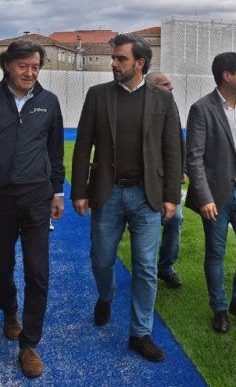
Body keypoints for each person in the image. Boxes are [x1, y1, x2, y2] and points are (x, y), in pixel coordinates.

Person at [71, 34, 182, 362]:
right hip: (107, 193)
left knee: (146, 267)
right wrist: (80, 190)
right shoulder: (97, 95)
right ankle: (106, 296)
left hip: (148, 196)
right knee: (101, 259)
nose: (114, 64)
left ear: (140, 63)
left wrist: (171, 195)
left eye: (121, 59)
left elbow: (172, 149)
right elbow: (82, 147)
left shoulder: (162, 100)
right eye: (114, 58)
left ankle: (140, 333)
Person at [185, 52, 236, 333]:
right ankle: (219, 309)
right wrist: (205, 197)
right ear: (227, 76)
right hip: (217, 196)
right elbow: (194, 158)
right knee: (216, 253)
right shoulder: (202, 109)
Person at [0, 40, 65, 378]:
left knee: (38, 272)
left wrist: (58, 193)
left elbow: (55, 153)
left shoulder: (49, 102)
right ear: (7, 66)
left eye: (35, 66)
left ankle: (29, 344)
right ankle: (9, 309)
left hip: (37, 199)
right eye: (23, 65)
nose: (30, 72)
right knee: (2, 267)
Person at [146, 72, 184, 288]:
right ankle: (147, 268)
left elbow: (178, 140)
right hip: (146, 180)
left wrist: (180, 171)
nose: (171, 88)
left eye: (170, 84)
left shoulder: (172, 106)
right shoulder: (141, 107)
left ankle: (165, 267)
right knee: (146, 225)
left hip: (168, 178)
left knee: (175, 219)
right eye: (166, 84)